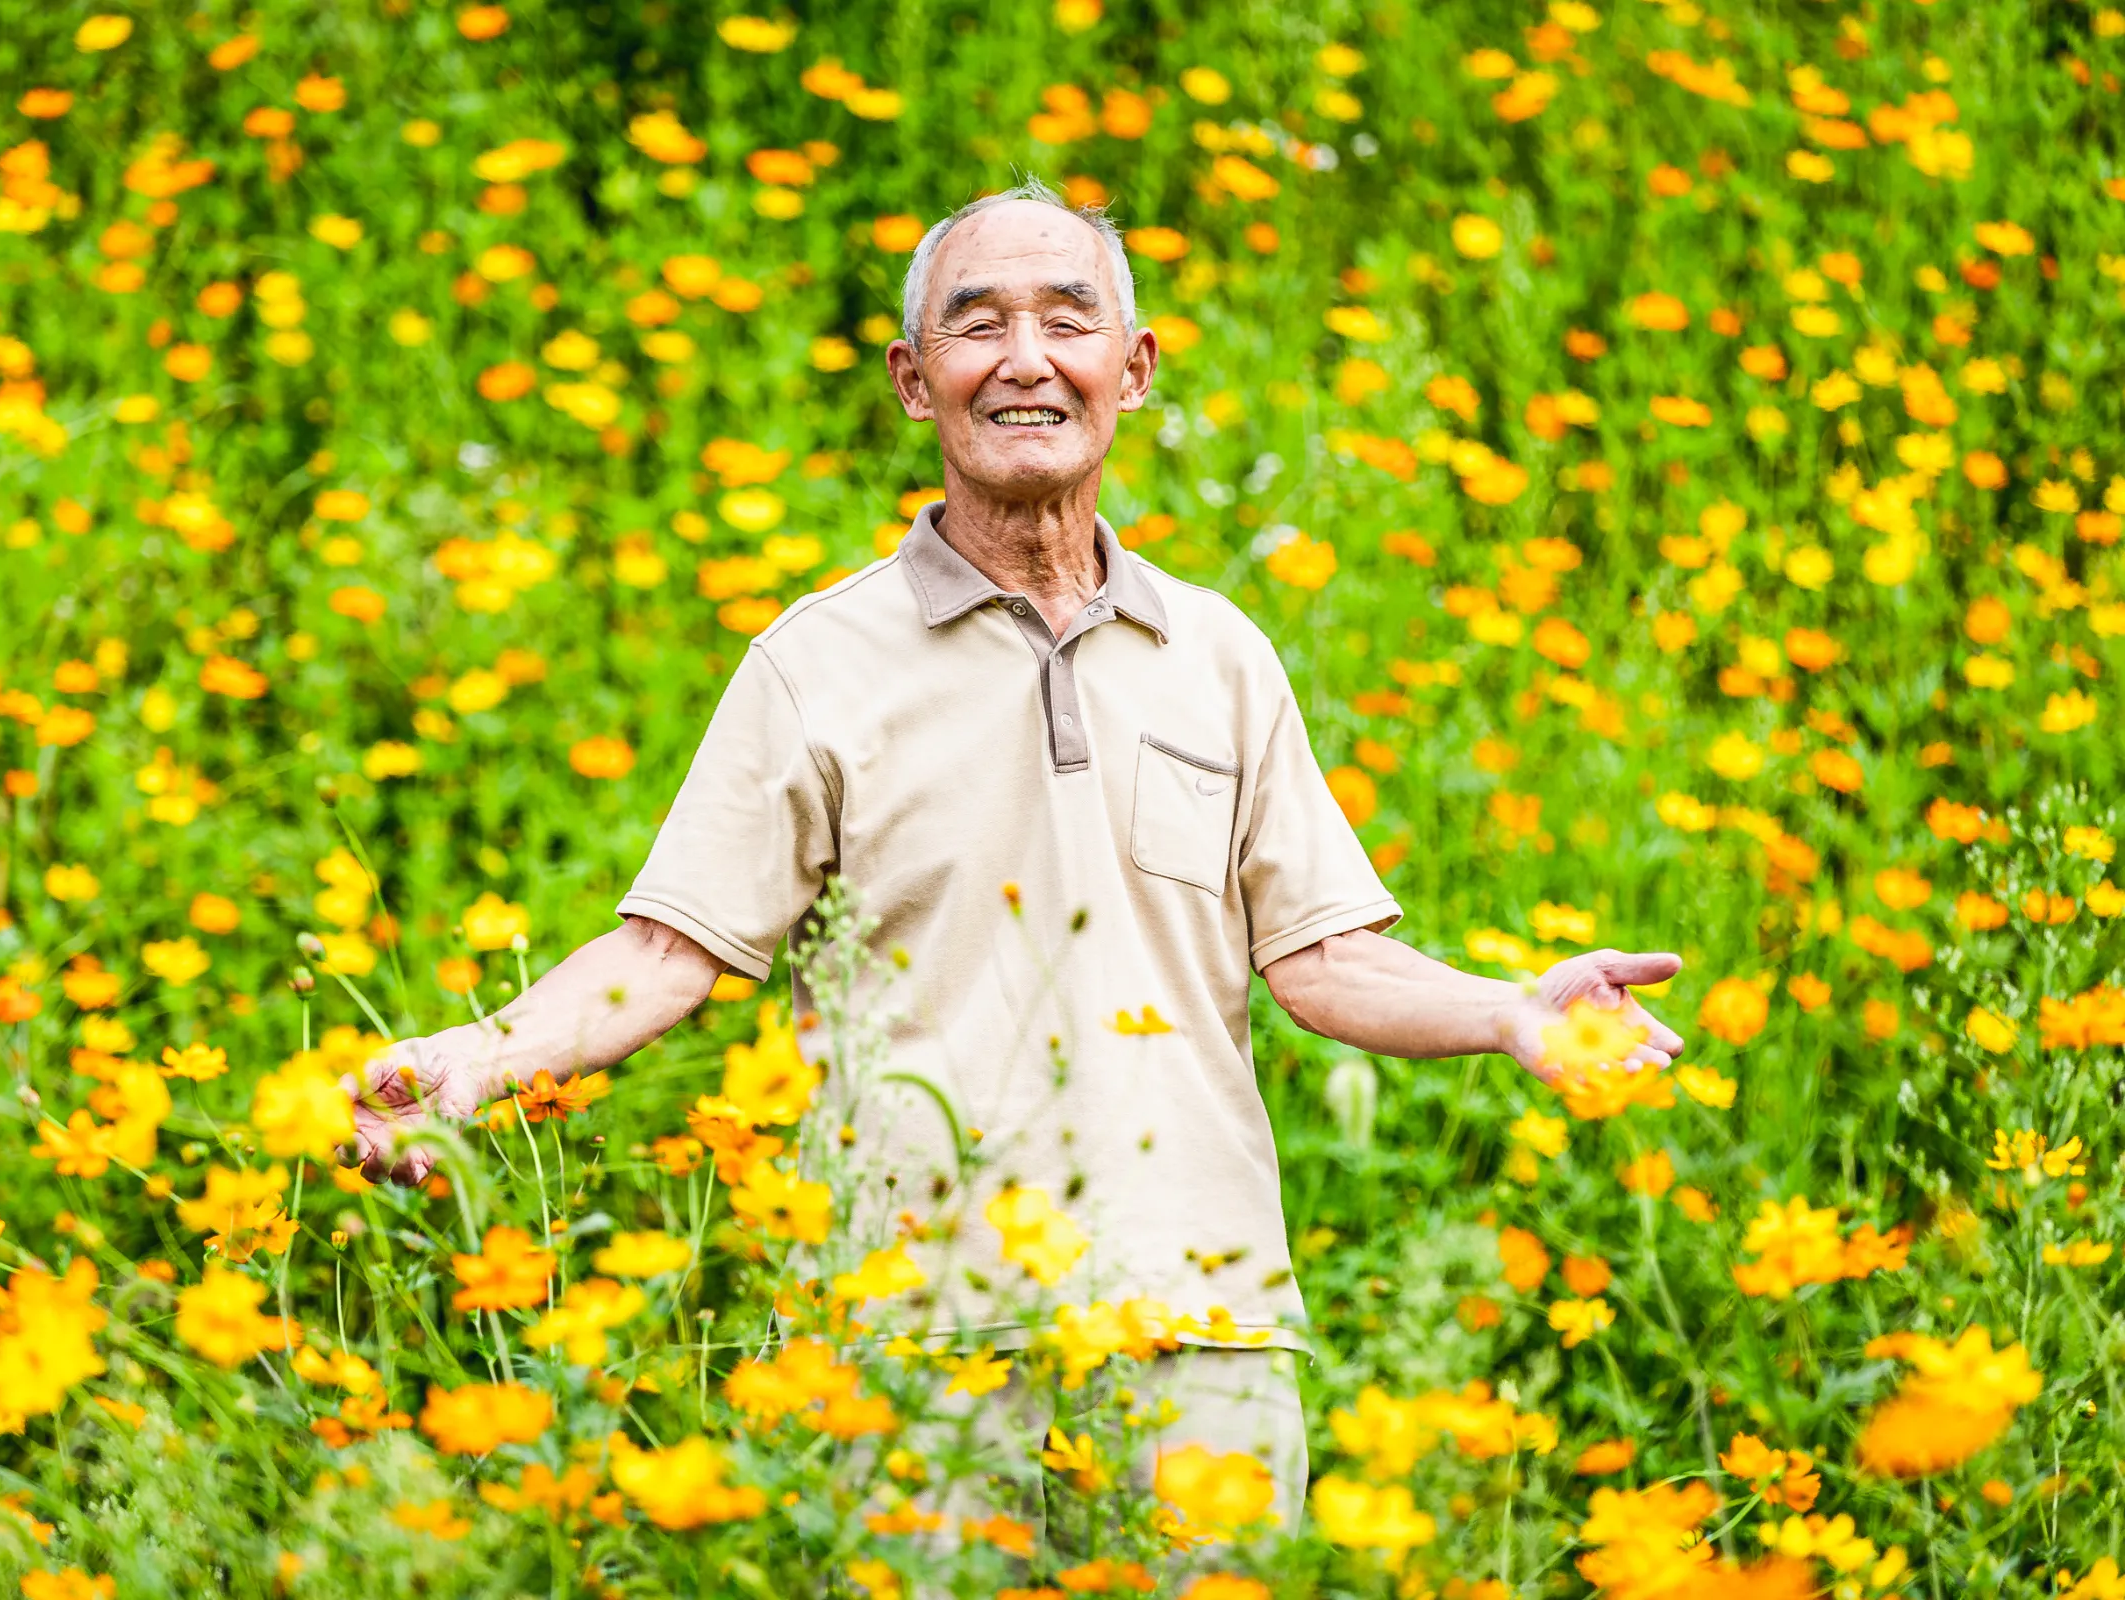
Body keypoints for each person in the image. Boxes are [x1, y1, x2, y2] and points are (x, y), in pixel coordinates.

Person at [343, 176, 1683, 1545]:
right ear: (916, 382)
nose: (1025, 359)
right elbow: (667, 951)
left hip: (1203, 1335)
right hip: (915, 1353)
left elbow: (1321, 957)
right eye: (977, 326)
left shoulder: (1218, 654)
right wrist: (479, 1059)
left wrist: (1514, 1012)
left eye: (1068, 318)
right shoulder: (815, 664)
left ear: (1134, 369)